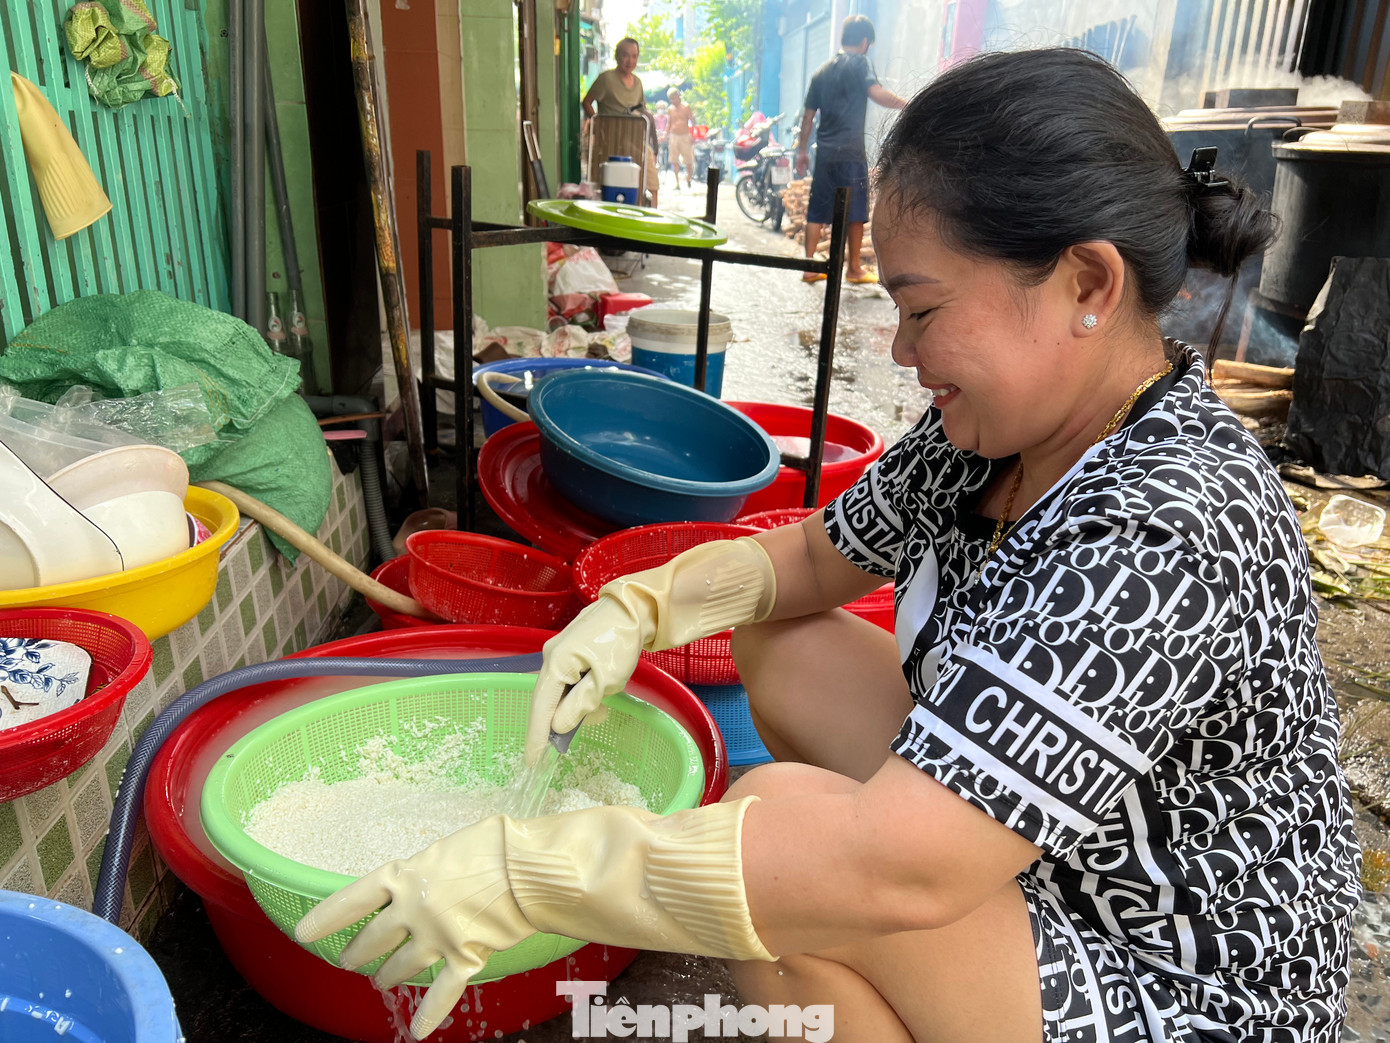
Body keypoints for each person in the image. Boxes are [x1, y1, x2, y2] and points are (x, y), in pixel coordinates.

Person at [298, 48, 1360, 1043]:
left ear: (1087, 283)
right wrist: (638, 608)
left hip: (1178, 973)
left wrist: (535, 872)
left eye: (923, 309)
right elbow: (806, 563)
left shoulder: (1166, 520)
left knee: (786, 844)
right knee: (784, 643)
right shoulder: (997, 433)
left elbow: (897, 866)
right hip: (1057, 848)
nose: (899, 349)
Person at [796, 14, 906, 284]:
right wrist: (908, 104)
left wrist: (801, 152)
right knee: (855, 210)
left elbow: (807, 118)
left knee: (817, 208)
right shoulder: (861, 63)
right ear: (865, 41)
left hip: (825, 154)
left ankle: (809, 267)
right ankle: (854, 269)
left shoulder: (820, 72)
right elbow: (877, 93)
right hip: (851, 153)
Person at [582, 37, 658, 208]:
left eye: (634, 56)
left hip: (636, 143)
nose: (630, 60)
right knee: (606, 188)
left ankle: (650, 219)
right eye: (625, 55)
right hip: (610, 143)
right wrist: (598, 124)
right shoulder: (606, 79)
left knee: (651, 184)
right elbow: (586, 102)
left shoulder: (638, 83)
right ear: (617, 56)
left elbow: (642, 110)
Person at [667, 88, 696, 189]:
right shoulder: (670, 109)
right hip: (674, 136)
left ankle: (689, 178)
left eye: (673, 98)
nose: (672, 101)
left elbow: (692, 121)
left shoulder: (686, 107)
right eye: (670, 99)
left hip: (685, 136)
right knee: (674, 160)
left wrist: (692, 135)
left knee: (689, 160)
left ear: (678, 96)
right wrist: (665, 135)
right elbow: (669, 123)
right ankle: (677, 183)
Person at [653, 99, 670, 173]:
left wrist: (665, 134)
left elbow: (669, 127)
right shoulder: (654, 117)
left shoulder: (667, 117)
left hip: (666, 137)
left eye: (662, 108)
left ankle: (667, 164)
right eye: (659, 108)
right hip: (657, 137)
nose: (661, 110)